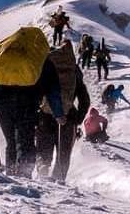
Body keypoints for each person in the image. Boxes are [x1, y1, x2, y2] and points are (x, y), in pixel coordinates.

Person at [0, 27, 65, 177]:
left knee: (11, 140)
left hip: (1, 100)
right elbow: (53, 90)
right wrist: (59, 113)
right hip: (27, 100)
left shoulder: (4, 52)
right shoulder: (41, 60)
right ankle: (23, 174)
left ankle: (10, 174)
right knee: (25, 138)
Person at [35, 40, 91, 182]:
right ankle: (58, 183)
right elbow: (84, 98)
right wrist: (77, 119)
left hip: (45, 116)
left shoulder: (45, 65)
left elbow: (38, 91)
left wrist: (36, 113)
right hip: (68, 118)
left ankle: (42, 173)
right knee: (63, 155)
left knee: (43, 150)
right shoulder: (73, 69)